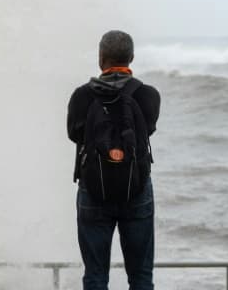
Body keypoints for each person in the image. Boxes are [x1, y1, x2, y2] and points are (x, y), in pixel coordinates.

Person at [67, 30, 160, 290]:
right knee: (141, 276)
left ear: (100, 58)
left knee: (96, 275)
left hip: (93, 190)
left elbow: (74, 134)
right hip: (137, 188)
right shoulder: (148, 95)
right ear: (131, 57)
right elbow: (149, 129)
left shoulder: (82, 96)